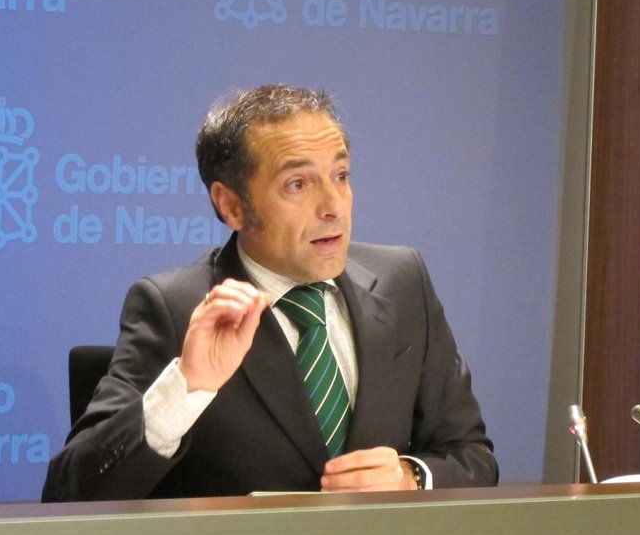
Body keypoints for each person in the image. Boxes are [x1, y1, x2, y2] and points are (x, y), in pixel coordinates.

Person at [42, 84, 498, 501]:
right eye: (297, 184)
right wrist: (186, 386)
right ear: (231, 205)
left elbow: (472, 456)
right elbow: (70, 494)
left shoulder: (403, 282)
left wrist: (410, 476)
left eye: (341, 176)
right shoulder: (174, 308)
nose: (333, 206)